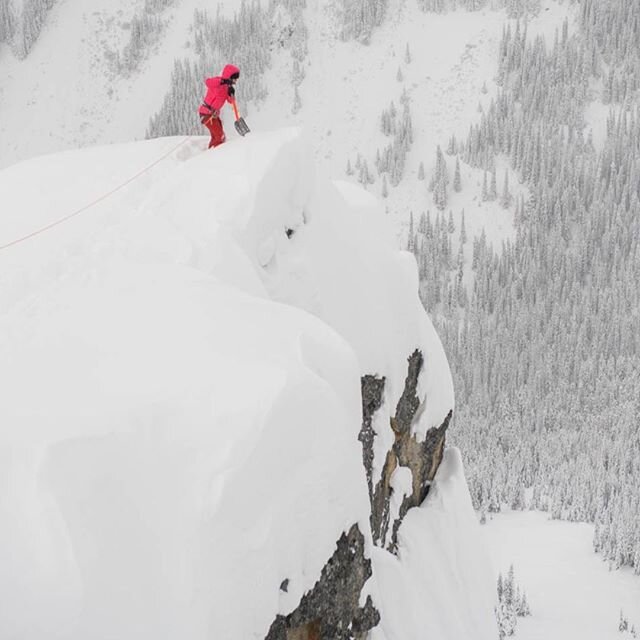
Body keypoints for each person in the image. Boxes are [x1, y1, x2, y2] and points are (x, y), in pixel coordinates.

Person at [198, 64, 240, 149]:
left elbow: (231, 101)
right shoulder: (218, 82)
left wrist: (231, 94)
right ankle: (214, 155)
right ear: (229, 77)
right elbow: (208, 82)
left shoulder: (227, 88)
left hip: (214, 114)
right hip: (206, 113)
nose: (235, 81)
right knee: (219, 136)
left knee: (219, 136)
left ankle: (211, 151)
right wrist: (223, 81)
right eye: (234, 79)